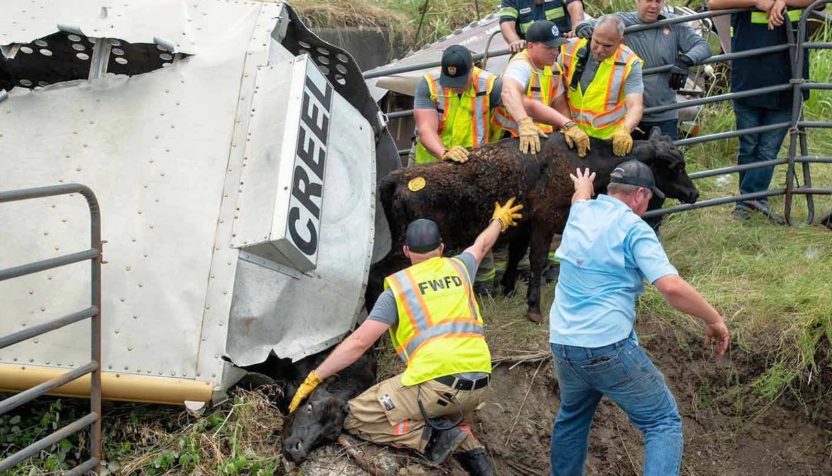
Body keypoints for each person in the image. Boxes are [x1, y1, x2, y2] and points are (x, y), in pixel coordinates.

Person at [288, 198, 526, 476]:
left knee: (354, 416)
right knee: (441, 403)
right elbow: (482, 245)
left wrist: (315, 377)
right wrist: (499, 220)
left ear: (406, 251)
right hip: (480, 385)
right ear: (440, 249)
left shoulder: (399, 290)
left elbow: (358, 343)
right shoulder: (460, 268)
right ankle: (472, 451)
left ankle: (432, 439)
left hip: (437, 388)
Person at [548, 161, 731, 476]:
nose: (647, 207)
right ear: (640, 195)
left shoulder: (582, 213)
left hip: (564, 343)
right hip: (607, 345)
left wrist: (581, 188)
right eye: (649, 200)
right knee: (662, 421)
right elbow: (671, 287)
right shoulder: (633, 228)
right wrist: (714, 319)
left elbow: (580, 201)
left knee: (572, 417)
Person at [574, 0, 712, 232]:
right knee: (620, 178)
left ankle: (650, 228)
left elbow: (703, 46)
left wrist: (685, 60)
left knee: (663, 173)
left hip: (662, 113)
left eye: (659, 0)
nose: (654, 5)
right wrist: (582, 29)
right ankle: (614, 228)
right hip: (627, 120)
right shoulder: (623, 22)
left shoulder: (674, 25)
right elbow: (595, 28)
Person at [708, 0, 813, 222]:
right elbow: (714, 3)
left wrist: (781, 1)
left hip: (789, 76)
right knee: (749, 145)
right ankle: (752, 201)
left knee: (768, 148)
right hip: (750, 76)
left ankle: (747, 202)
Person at [497, 20, 591, 157]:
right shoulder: (520, 65)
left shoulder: (554, 68)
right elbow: (508, 91)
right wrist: (523, 122)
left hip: (542, 137)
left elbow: (559, 102)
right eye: (548, 48)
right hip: (513, 139)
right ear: (530, 46)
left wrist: (568, 126)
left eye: (557, 47)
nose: (555, 52)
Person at [559, 15, 644, 157]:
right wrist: (566, 124)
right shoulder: (569, 48)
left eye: (607, 46)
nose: (599, 50)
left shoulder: (630, 63)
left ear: (620, 42)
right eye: (596, 42)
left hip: (609, 141)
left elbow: (635, 105)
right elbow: (557, 91)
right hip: (571, 135)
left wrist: (625, 130)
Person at [412, 45, 503, 166]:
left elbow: (515, 106)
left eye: (461, 81)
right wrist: (444, 153)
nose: (455, 87)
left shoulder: (491, 85)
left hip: (472, 162)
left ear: (472, 68)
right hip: (431, 161)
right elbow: (426, 128)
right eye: (450, 82)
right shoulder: (428, 83)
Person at [499, 0, 586, 52]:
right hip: (533, 52)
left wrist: (576, 28)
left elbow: (575, 5)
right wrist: (515, 42)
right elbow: (506, 23)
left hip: (565, 44)